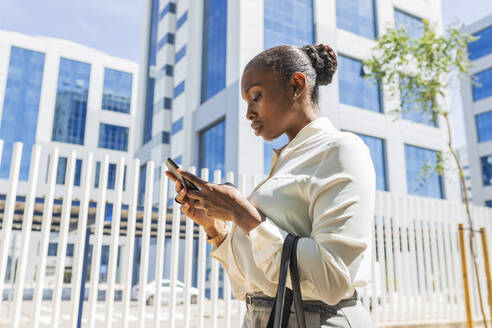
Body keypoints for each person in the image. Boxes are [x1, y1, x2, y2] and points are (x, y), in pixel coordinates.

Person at [165, 43, 375, 327]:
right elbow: (252, 284)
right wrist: (214, 228)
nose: (248, 113)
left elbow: (333, 277)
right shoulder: (284, 164)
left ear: (296, 86)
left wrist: (242, 213)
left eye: (256, 96)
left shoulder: (341, 149)